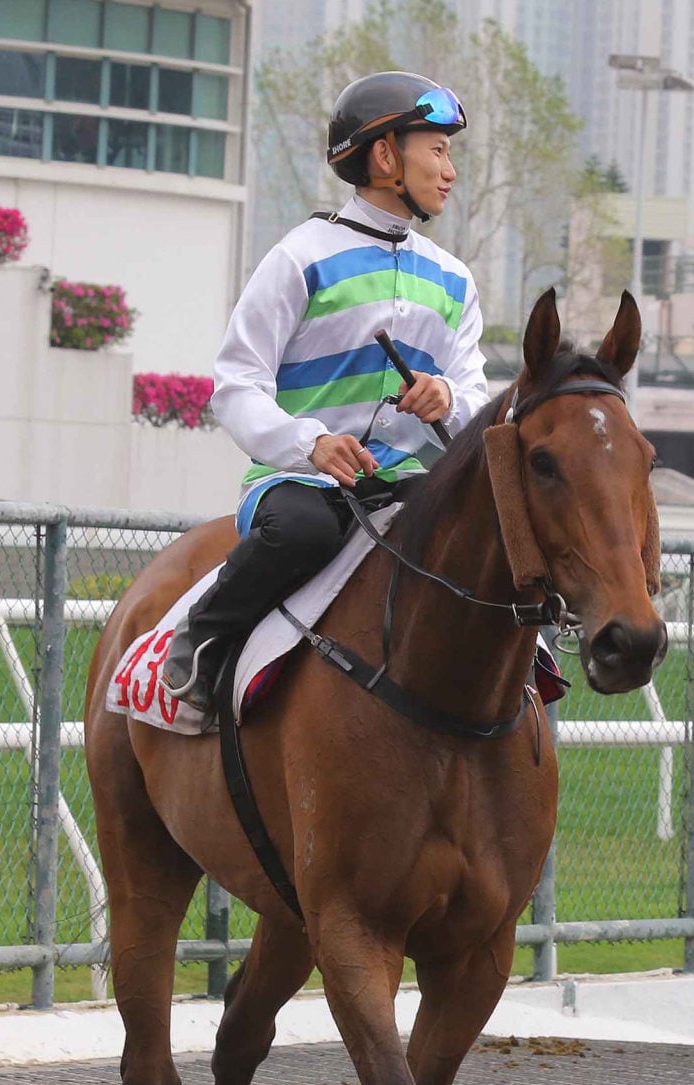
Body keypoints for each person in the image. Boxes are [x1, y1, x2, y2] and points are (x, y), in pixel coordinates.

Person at [159, 70, 490, 711]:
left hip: (407, 485)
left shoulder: (455, 279)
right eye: (438, 150)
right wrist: (310, 444)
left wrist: (448, 398)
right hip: (301, 486)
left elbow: (476, 395)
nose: (450, 171)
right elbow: (237, 383)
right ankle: (202, 641)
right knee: (305, 530)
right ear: (386, 155)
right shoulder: (299, 257)